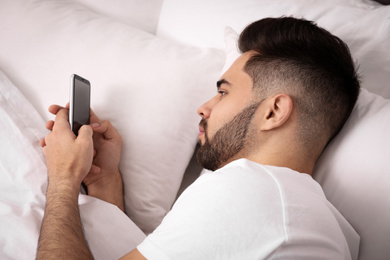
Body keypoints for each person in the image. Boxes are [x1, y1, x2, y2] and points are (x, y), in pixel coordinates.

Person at [37, 17, 360, 259]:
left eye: (222, 92)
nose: (203, 108)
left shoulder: (246, 190)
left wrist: (63, 177)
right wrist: (106, 182)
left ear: (274, 112)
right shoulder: (322, 223)